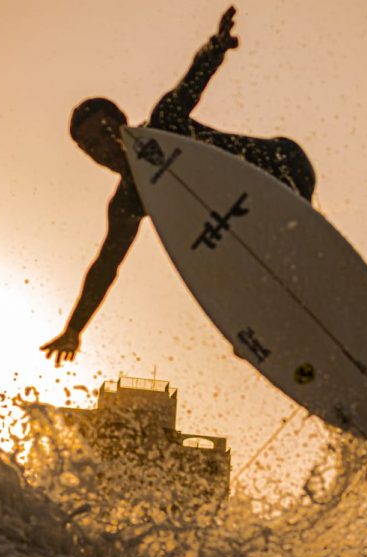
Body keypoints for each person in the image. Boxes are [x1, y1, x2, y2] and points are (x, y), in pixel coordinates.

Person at [41, 7, 316, 366]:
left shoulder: (164, 123)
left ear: (124, 123)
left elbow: (192, 82)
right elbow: (106, 265)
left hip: (281, 165)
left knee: (266, 248)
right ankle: (289, 329)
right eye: (91, 146)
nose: (104, 149)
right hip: (244, 220)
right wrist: (75, 328)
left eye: (106, 133)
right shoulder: (128, 200)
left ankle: (299, 269)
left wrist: (215, 46)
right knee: (231, 271)